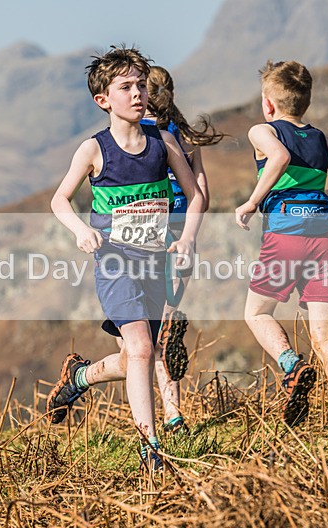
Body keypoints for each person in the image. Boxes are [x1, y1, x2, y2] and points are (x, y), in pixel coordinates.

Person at [47, 46, 203, 470]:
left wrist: (186, 239)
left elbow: (195, 196)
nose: (137, 94)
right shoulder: (93, 149)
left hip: (155, 263)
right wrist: (82, 231)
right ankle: (151, 448)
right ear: (103, 100)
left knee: (139, 356)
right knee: (141, 348)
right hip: (115, 262)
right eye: (126, 87)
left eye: (141, 86)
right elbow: (60, 200)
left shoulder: (163, 143)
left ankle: (80, 377)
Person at [235, 60, 328, 454]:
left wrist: (251, 202)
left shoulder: (262, 130)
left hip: (285, 235)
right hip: (323, 238)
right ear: (306, 102)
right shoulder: (321, 139)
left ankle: (291, 367)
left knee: (256, 314)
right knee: (325, 337)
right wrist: (318, 196)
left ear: (268, 103)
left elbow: (278, 157)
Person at [139, 65, 224, 435]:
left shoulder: (140, 136)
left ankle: (170, 417)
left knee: (145, 335)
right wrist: (189, 237)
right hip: (183, 235)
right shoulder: (186, 136)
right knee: (163, 325)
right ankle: (173, 416)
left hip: (149, 235)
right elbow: (202, 195)